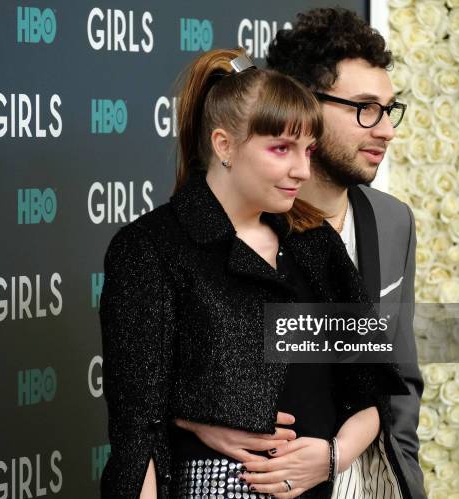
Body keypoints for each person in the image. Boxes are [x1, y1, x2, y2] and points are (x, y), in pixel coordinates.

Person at [99, 47, 408, 499]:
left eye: (308, 150)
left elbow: (373, 390)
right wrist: (196, 416)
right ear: (224, 145)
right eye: (281, 149)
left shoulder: (315, 244)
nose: (302, 170)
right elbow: (137, 433)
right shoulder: (150, 249)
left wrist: (330, 457)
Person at [178, 8, 426, 499]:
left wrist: (360, 465)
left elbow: (400, 380)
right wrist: (200, 422)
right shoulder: (228, 228)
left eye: (389, 109)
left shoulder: (394, 221)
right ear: (304, 106)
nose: (386, 130)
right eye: (364, 108)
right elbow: (159, 372)